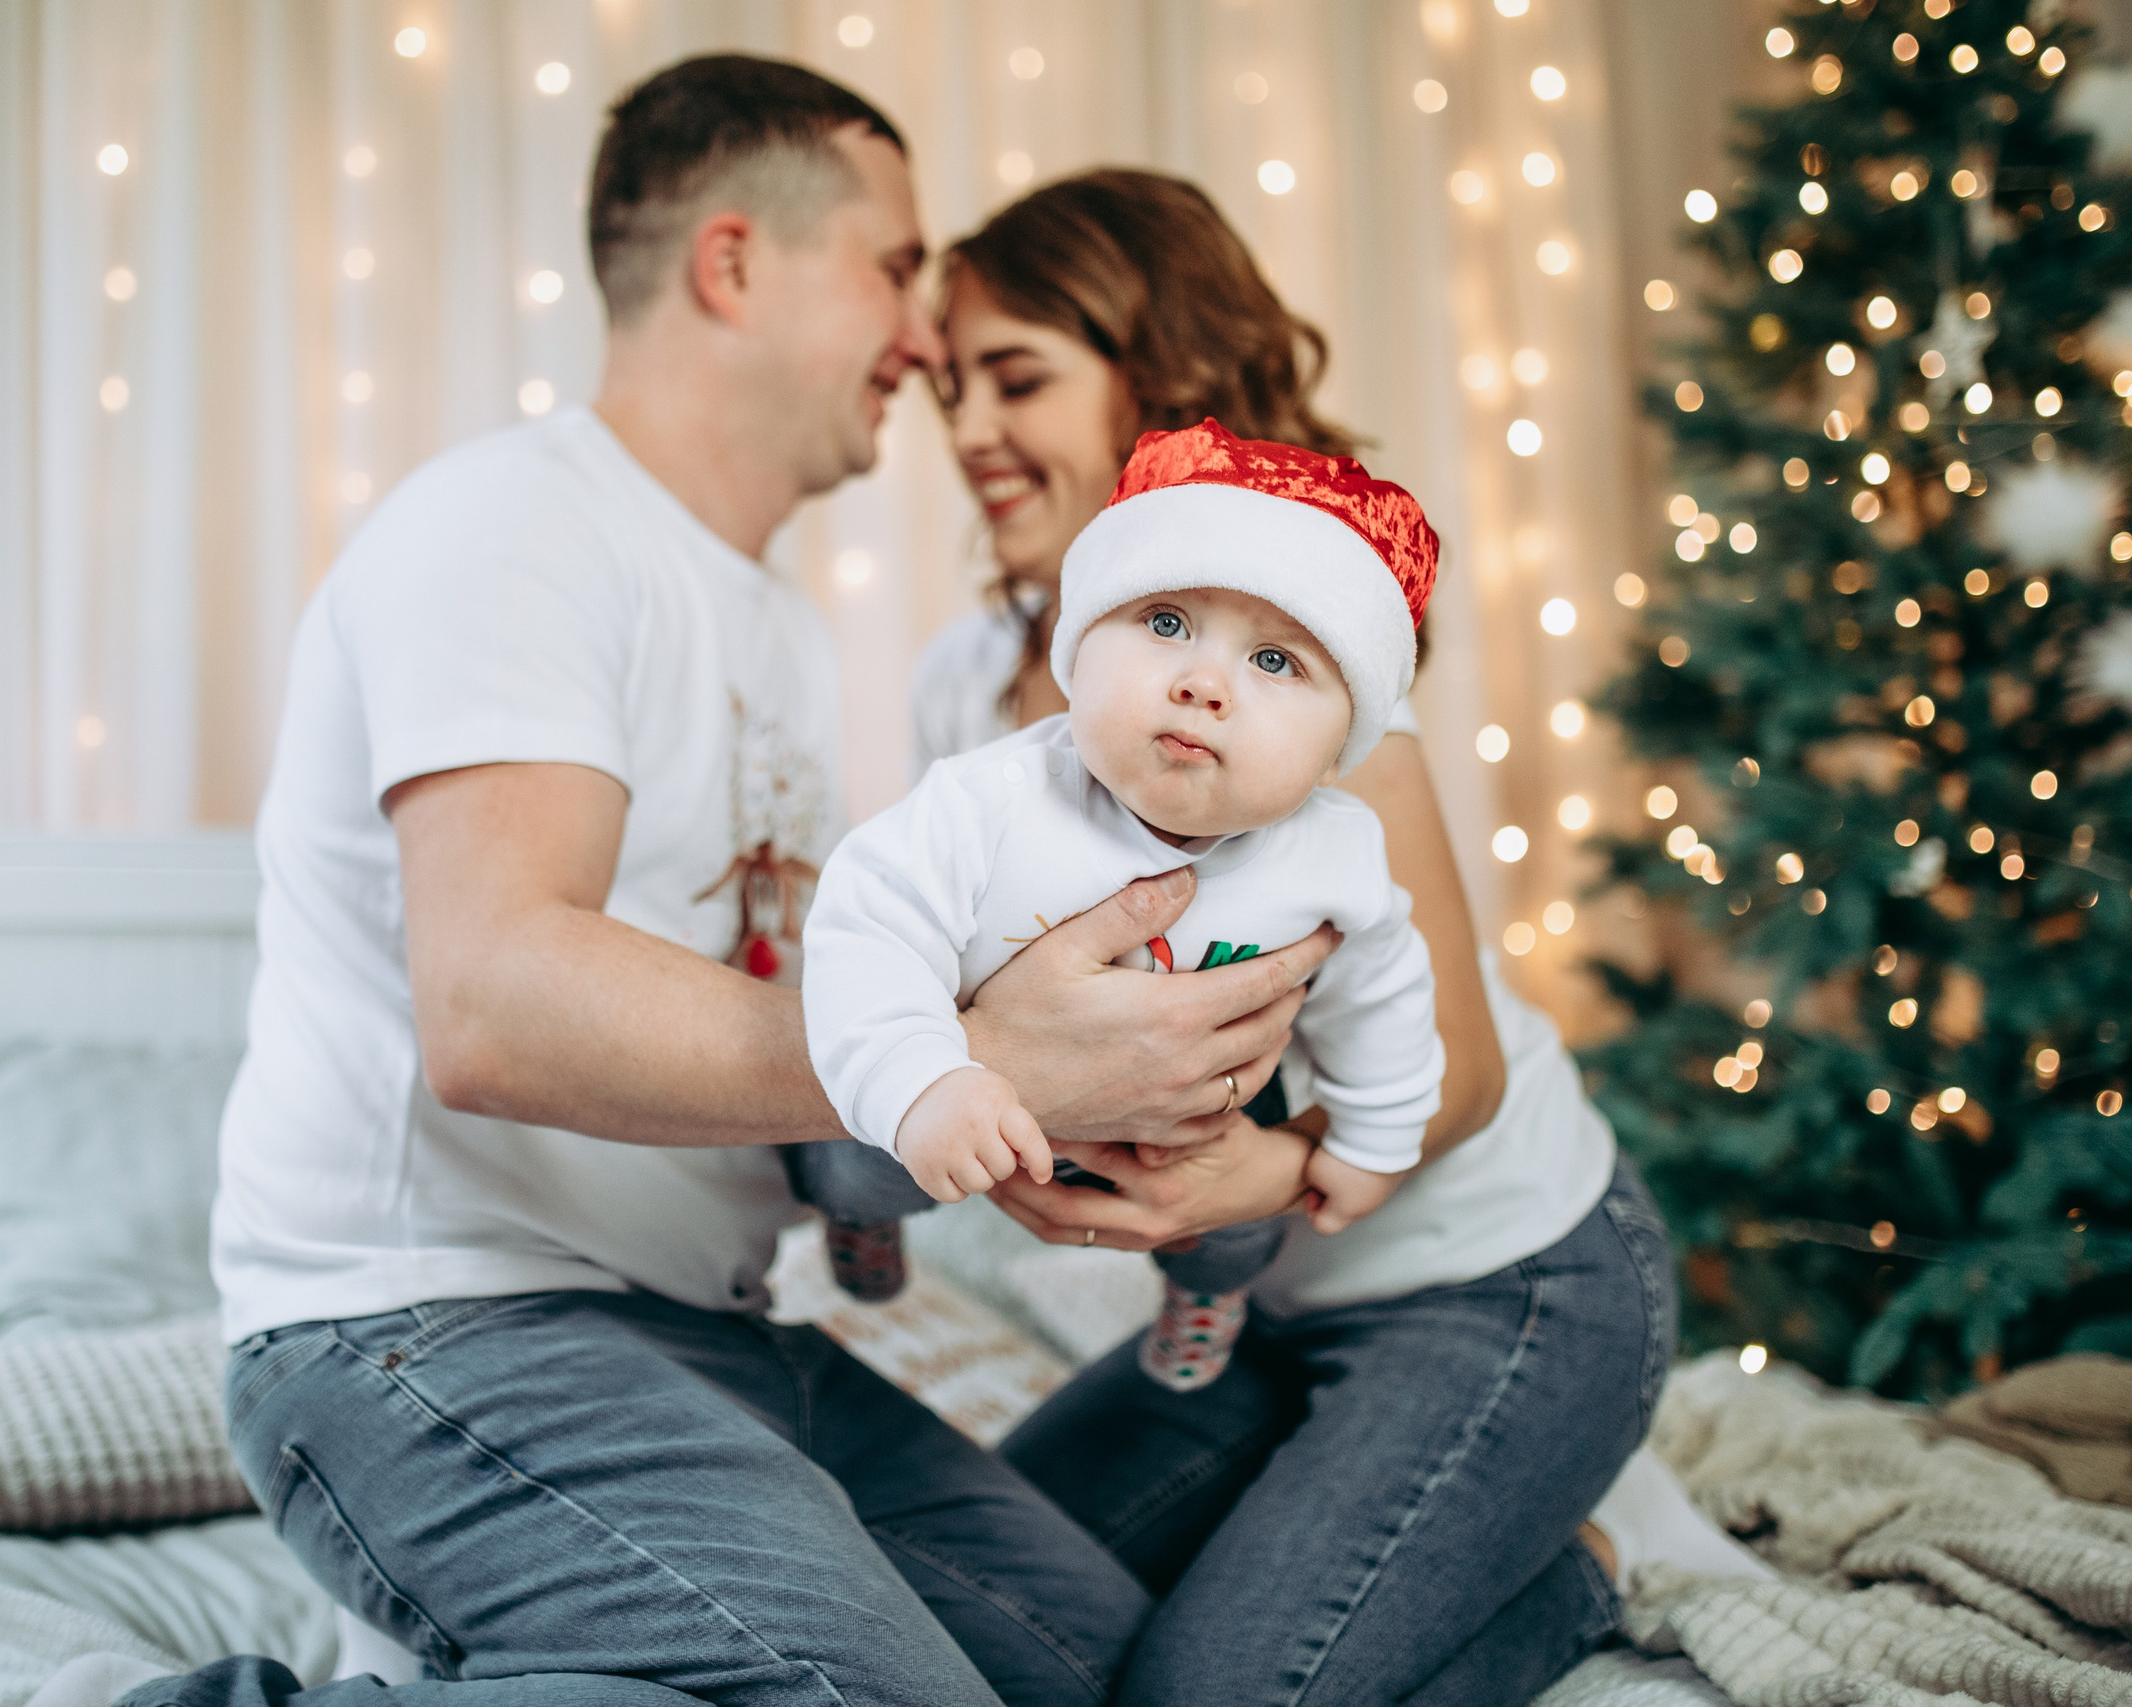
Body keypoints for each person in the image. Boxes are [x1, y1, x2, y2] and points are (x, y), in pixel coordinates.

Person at [190, 60, 1341, 1707]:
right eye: (892, 265)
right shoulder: (516, 529)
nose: (926, 334)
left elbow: (772, 1014)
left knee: (1102, 1686)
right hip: (434, 1329)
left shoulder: (785, 634)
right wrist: (963, 1057)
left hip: (709, 1339)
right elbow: (495, 999)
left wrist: (911, 1153)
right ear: (733, 263)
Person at [914, 169, 1677, 1707]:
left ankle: (1568, 1581)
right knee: (926, 1616)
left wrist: (1250, 1176)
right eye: (949, 386)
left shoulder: (1282, 651)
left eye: (1016, 378)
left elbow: (1451, 1071)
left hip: (1502, 1279)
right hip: (1255, 1312)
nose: (970, 431)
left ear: (1151, 372)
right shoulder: (966, 686)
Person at [797, 420, 1448, 1392]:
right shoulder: (988, 801)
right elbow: (865, 926)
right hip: (971, 1066)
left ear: (1338, 747)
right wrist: (923, 1079)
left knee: (1238, 1228)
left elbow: (1385, 995)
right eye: (1166, 623)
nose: (1201, 683)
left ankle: (1205, 1293)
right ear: (1078, 647)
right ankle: (858, 1216)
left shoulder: (1335, 852)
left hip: (1191, 1101)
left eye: (1276, 663)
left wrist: (1373, 1140)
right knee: (851, 1149)